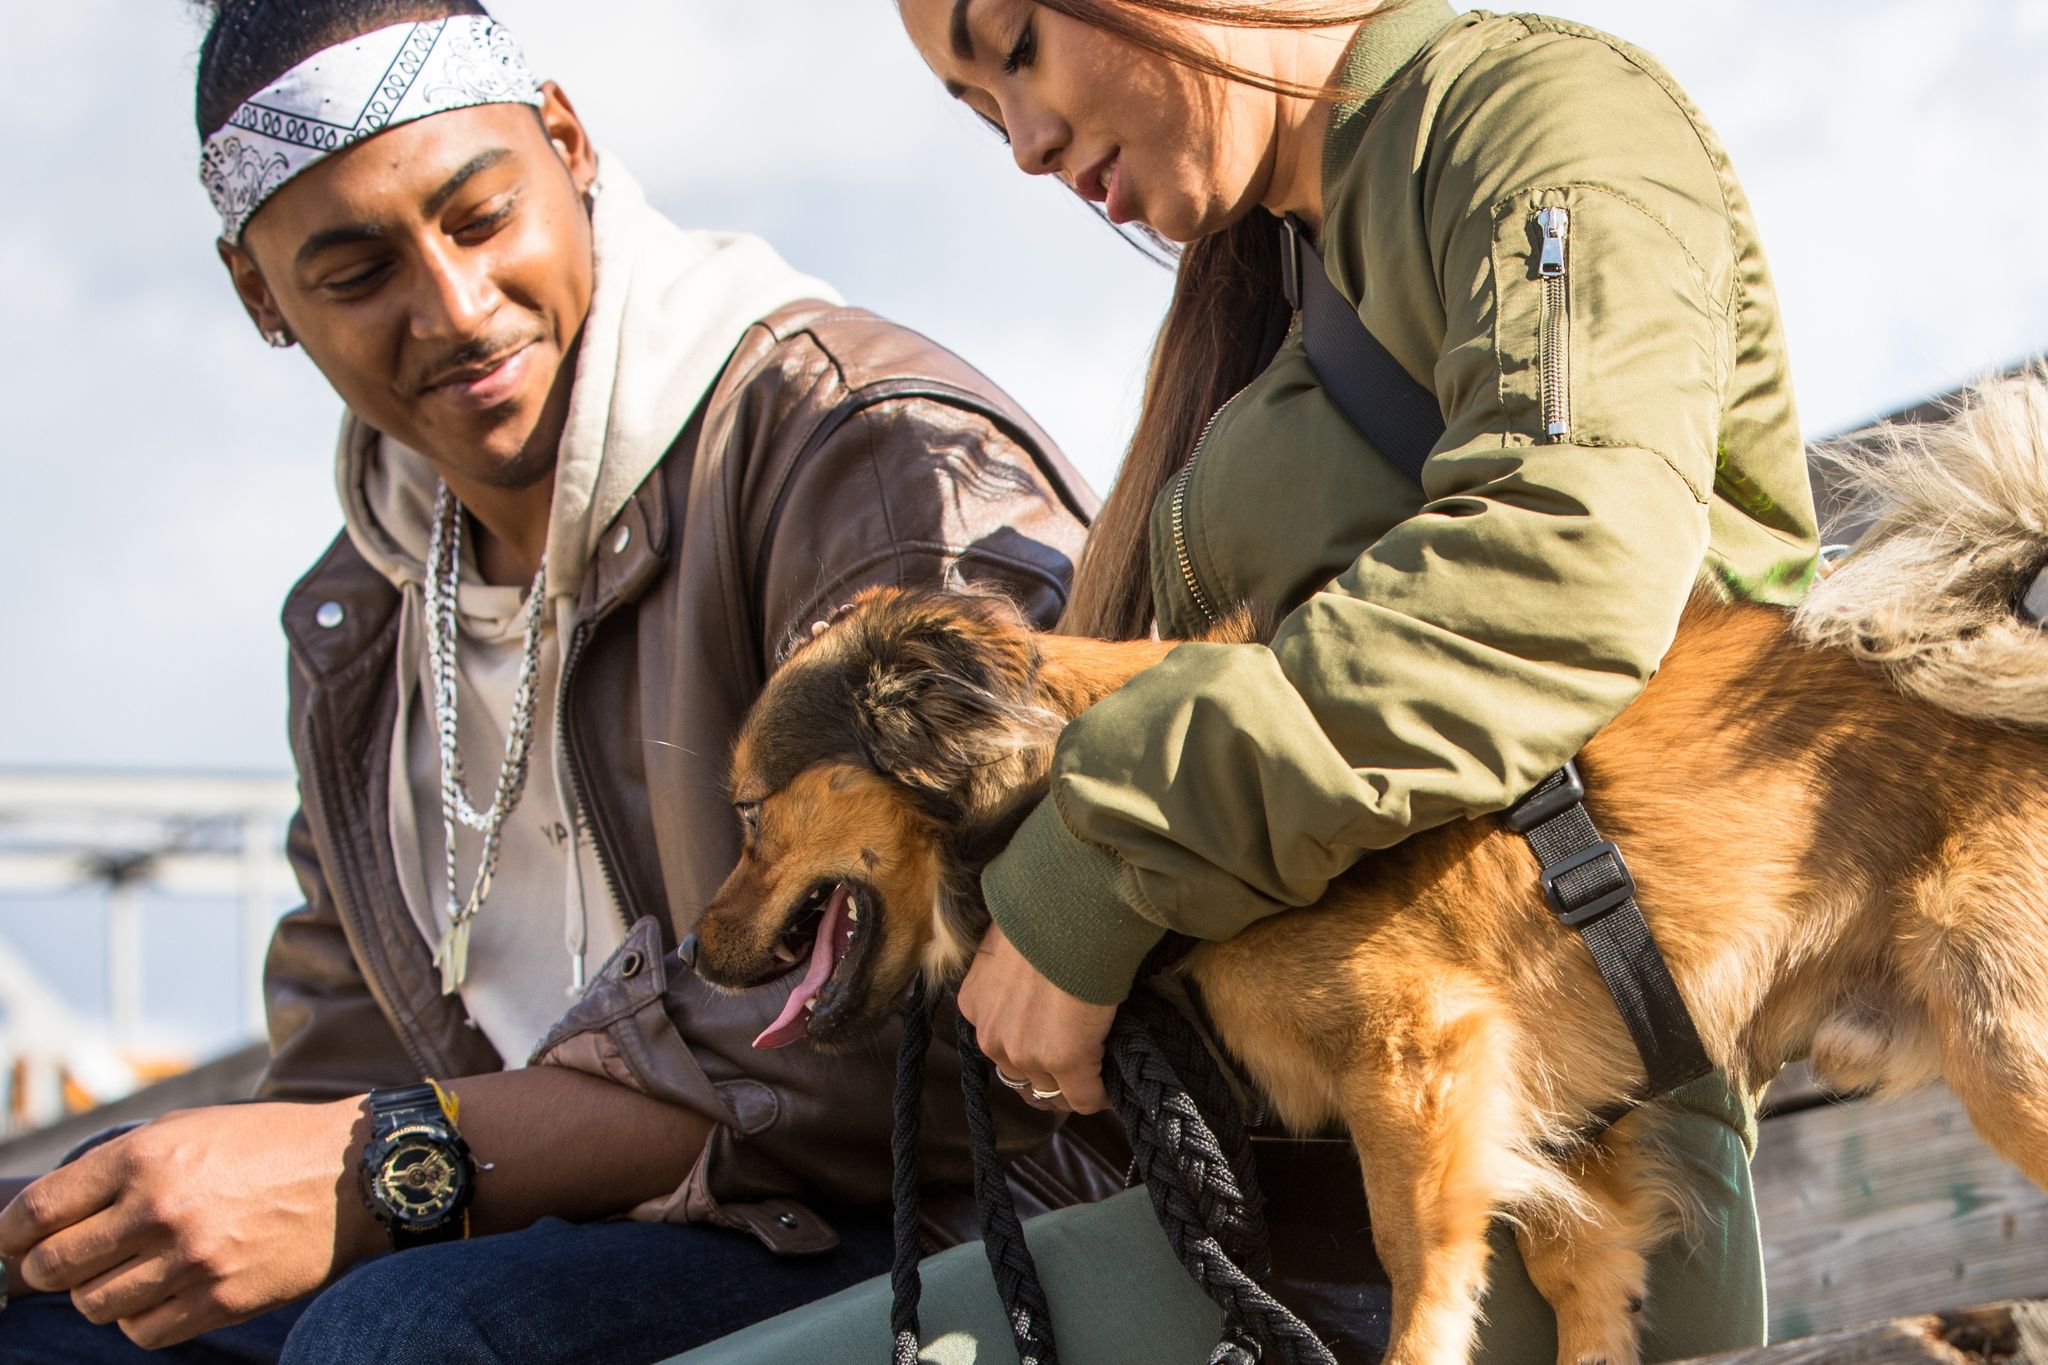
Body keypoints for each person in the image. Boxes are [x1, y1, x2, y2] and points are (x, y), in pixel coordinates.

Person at [673, 0, 1819, 1362]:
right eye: (979, 111)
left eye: (1019, 47)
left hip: (1534, 1163)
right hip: (1290, 1177)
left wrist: (1101, 865)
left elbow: (1554, 572)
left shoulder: (1531, 121)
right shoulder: (1271, 286)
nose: (1026, 147)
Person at [0, 2, 1114, 1361]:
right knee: (60, 1303)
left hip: (945, 1229)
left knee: (402, 1335)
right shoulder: (358, 627)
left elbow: (920, 1034)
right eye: (356, 275)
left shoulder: (864, 450)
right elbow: (336, 1075)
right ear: (259, 299)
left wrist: (389, 1164)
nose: (455, 308)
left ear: (571, 143)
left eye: (479, 220)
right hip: (579, 1242)